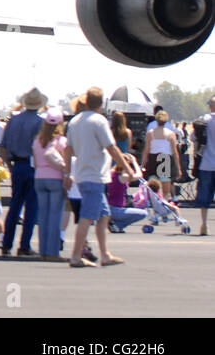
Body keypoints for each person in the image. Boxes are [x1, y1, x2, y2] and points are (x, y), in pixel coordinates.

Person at [64, 87, 131, 268]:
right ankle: (76, 256)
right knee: (87, 217)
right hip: (94, 175)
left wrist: (67, 173)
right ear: (101, 103)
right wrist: (127, 168)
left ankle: (105, 255)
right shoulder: (99, 121)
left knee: (103, 216)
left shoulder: (75, 121)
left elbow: (68, 149)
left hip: (84, 174)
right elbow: (111, 147)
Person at [0, 87, 45, 257]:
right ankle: (24, 245)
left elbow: (2, 146)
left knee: (14, 206)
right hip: (33, 166)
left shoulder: (13, 121)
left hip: (17, 165)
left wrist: (9, 166)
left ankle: (6, 244)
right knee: (31, 208)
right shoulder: (40, 122)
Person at [32, 108, 70, 261]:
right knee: (55, 216)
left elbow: (35, 163)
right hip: (55, 179)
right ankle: (52, 252)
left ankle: (43, 251)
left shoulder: (37, 140)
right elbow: (66, 164)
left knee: (43, 216)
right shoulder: (61, 141)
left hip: (39, 178)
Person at [143, 110, 181, 200]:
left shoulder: (150, 133)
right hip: (164, 159)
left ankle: (155, 208)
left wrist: (143, 163)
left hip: (153, 159)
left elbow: (146, 150)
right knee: (166, 191)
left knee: (152, 189)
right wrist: (178, 168)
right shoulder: (170, 134)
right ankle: (165, 208)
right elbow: (174, 152)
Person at [197, 96, 215, 235]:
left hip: (206, 163)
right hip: (163, 157)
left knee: (205, 196)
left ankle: (204, 224)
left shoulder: (204, 120)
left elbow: (193, 138)